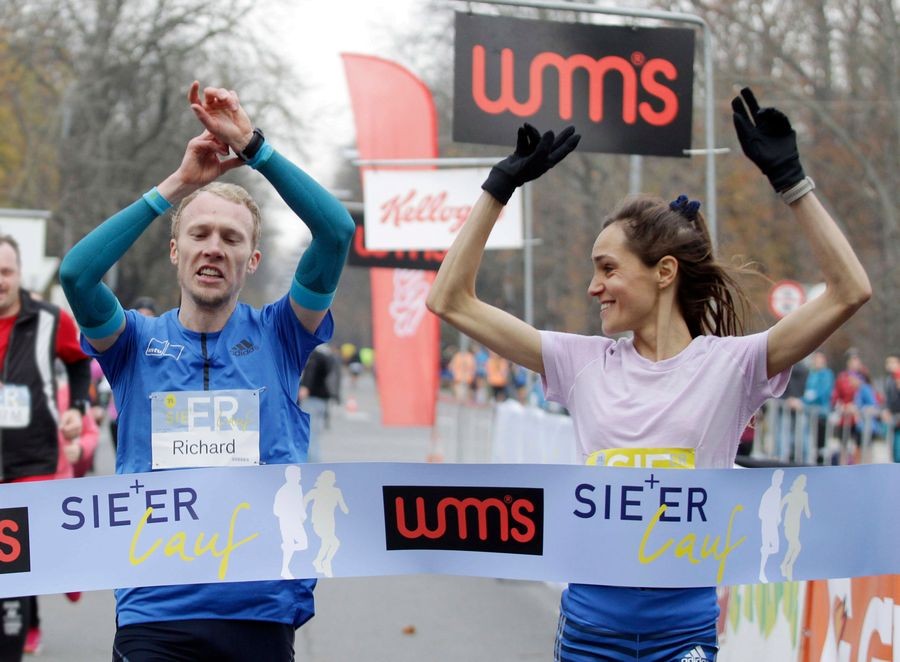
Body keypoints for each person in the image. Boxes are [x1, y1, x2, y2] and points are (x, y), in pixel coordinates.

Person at [426, 88, 871, 660]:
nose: (594, 287)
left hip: (682, 635)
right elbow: (451, 301)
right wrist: (498, 188)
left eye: (608, 269)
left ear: (663, 272)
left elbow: (849, 290)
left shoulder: (732, 366)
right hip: (589, 631)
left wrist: (792, 182)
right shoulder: (579, 362)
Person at [58, 81, 354, 661]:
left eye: (231, 238)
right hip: (155, 614)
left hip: (260, 610)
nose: (213, 248)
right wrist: (178, 187)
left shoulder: (282, 334)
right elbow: (77, 275)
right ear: (177, 252)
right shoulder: (133, 343)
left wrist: (252, 145)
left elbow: (337, 232)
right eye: (199, 234)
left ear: (253, 260)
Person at [0, 239, 91, 661]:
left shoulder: (50, 320)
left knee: (13, 563)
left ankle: (21, 631)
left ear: (20, 273)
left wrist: (76, 406)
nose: (0, 281)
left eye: (6, 271)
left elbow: (77, 361)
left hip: (31, 459)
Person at [299, 342, 341, 462]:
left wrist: (305, 387)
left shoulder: (314, 356)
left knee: (309, 435)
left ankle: (312, 464)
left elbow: (310, 371)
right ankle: (314, 462)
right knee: (315, 434)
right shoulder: (327, 355)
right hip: (323, 400)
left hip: (312, 399)